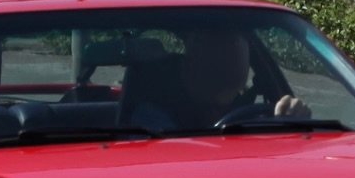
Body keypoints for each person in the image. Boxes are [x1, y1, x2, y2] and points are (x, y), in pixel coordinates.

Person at [130, 29, 309, 132]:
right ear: (187, 66)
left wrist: (296, 122)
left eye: (232, 54)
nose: (223, 61)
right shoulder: (152, 119)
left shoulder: (259, 116)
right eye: (212, 49)